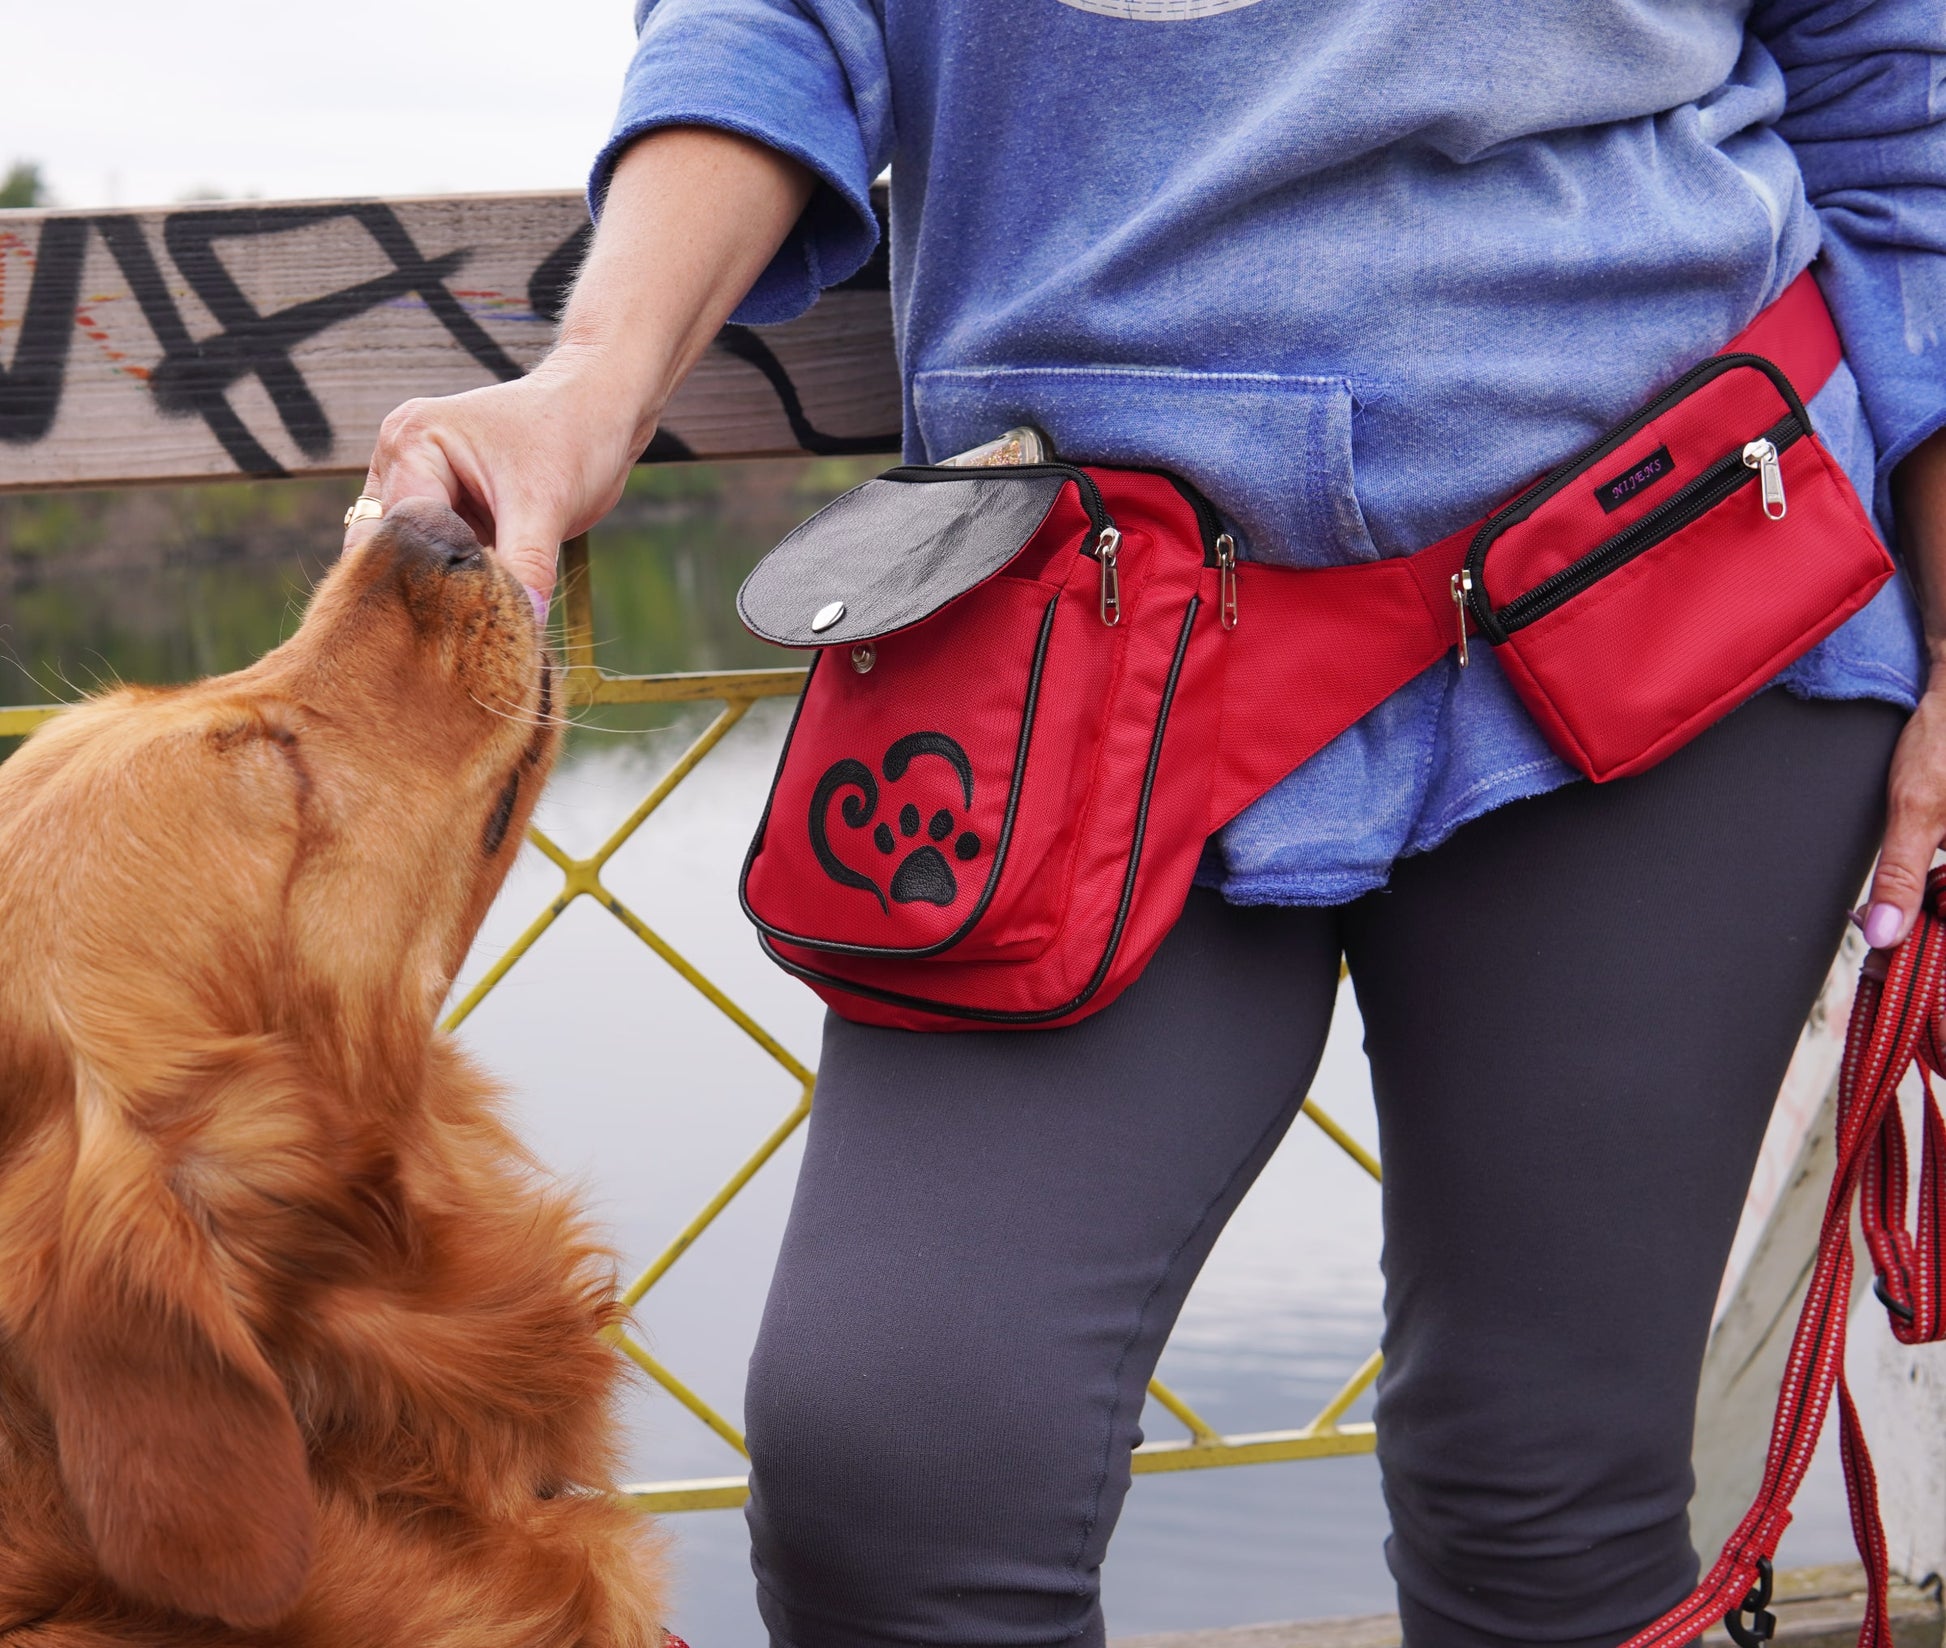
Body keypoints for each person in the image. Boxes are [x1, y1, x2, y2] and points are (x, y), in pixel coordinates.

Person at [348, 3, 1946, 1643]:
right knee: (897, 1483)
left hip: (1667, 580)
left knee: (1546, 1498)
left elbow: (1899, 81)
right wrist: (592, 385)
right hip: (1077, 637)